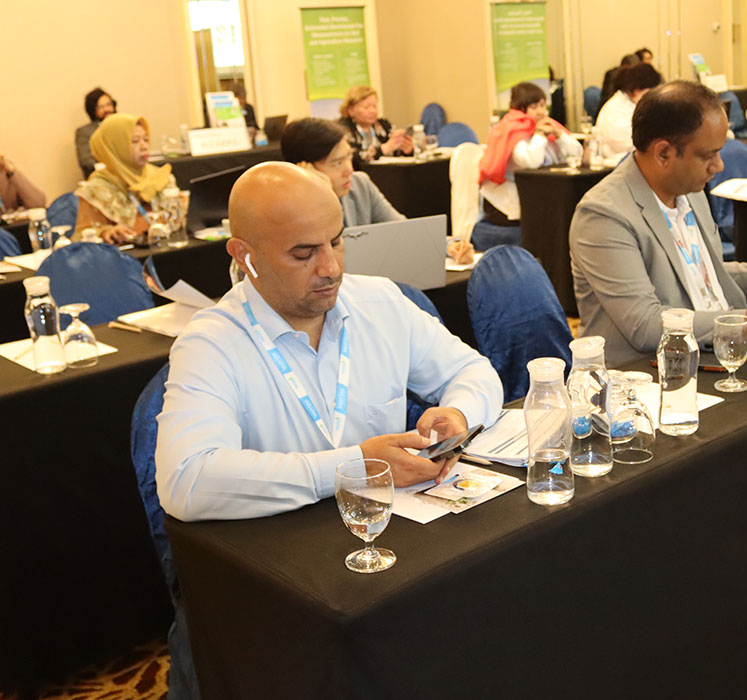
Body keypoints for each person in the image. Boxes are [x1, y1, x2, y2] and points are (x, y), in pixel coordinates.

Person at [156, 161, 503, 522]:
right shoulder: (211, 344)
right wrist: (355, 466)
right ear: (245, 256)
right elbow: (186, 481)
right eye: (303, 254)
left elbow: (473, 371)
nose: (332, 268)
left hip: (390, 530)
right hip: (285, 546)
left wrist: (459, 413)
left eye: (337, 242)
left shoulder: (379, 302)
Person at [570, 81, 747, 367]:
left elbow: (705, 277)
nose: (719, 166)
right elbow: (645, 324)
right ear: (664, 153)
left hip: (715, 353)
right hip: (648, 372)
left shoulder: (689, 191)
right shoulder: (605, 214)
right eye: (708, 155)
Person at [281, 117, 473, 262]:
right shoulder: (287, 209)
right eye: (337, 162)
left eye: (349, 157)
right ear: (304, 169)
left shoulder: (359, 184)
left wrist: (449, 245)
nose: (349, 169)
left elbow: (403, 230)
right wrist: (320, 196)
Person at [479, 81, 582, 225]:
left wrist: (559, 135)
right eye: (534, 107)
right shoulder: (512, 130)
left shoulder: (548, 126)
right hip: (506, 202)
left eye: (543, 106)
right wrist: (539, 134)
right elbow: (531, 162)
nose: (541, 112)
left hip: (538, 196)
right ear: (520, 109)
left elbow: (576, 154)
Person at [74, 113, 176, 244]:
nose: (144, 147)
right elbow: (82, 237)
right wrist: (105, 232)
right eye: (135, 141)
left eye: (146, 139)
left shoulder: (161, 177)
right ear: (114, 147)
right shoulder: (96, 189)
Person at [595, 62, 662, 163]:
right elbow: (627, 144)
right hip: (618, 162)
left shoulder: (630, 104)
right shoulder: (616, 110)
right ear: (636, 91)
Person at [338, 85, 413, 166]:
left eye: (374, 106)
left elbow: (395, 153)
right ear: (351, 110)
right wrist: (382, 149)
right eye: (366, 107)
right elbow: (350, 156)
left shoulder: (383, 125)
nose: (372, 111)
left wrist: (405, 149)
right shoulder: (342, 128)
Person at [76, 87, 117, 178]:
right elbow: (86, 162)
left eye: (109, 104)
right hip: (101, 178)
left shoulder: (123, 126)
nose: (107, 109)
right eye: (101, 107)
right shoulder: (84, 132)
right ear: (93, 110)